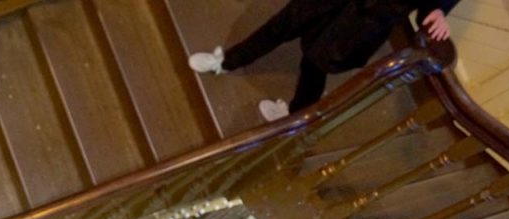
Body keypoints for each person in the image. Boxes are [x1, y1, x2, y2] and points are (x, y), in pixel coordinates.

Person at [187, 0, 458, 121]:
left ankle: (296, 117)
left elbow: (434, 3)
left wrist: (437, 10)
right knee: (283, 24)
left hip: (369, 16)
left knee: (317, 60)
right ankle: (225, 62)